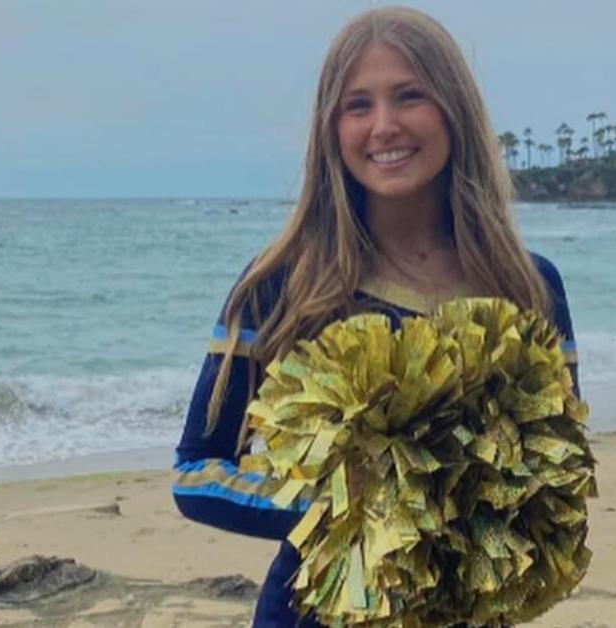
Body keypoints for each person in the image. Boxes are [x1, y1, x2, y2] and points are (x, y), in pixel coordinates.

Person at [172, 7, 580, 627]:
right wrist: (349, 503)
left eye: (410, 96)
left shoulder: (529, 286)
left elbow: (560, 476)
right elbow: (197, 470)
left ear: (454, 110)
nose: (384, 126)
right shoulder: (283, 282)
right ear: (330, 128)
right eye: (357, 105)